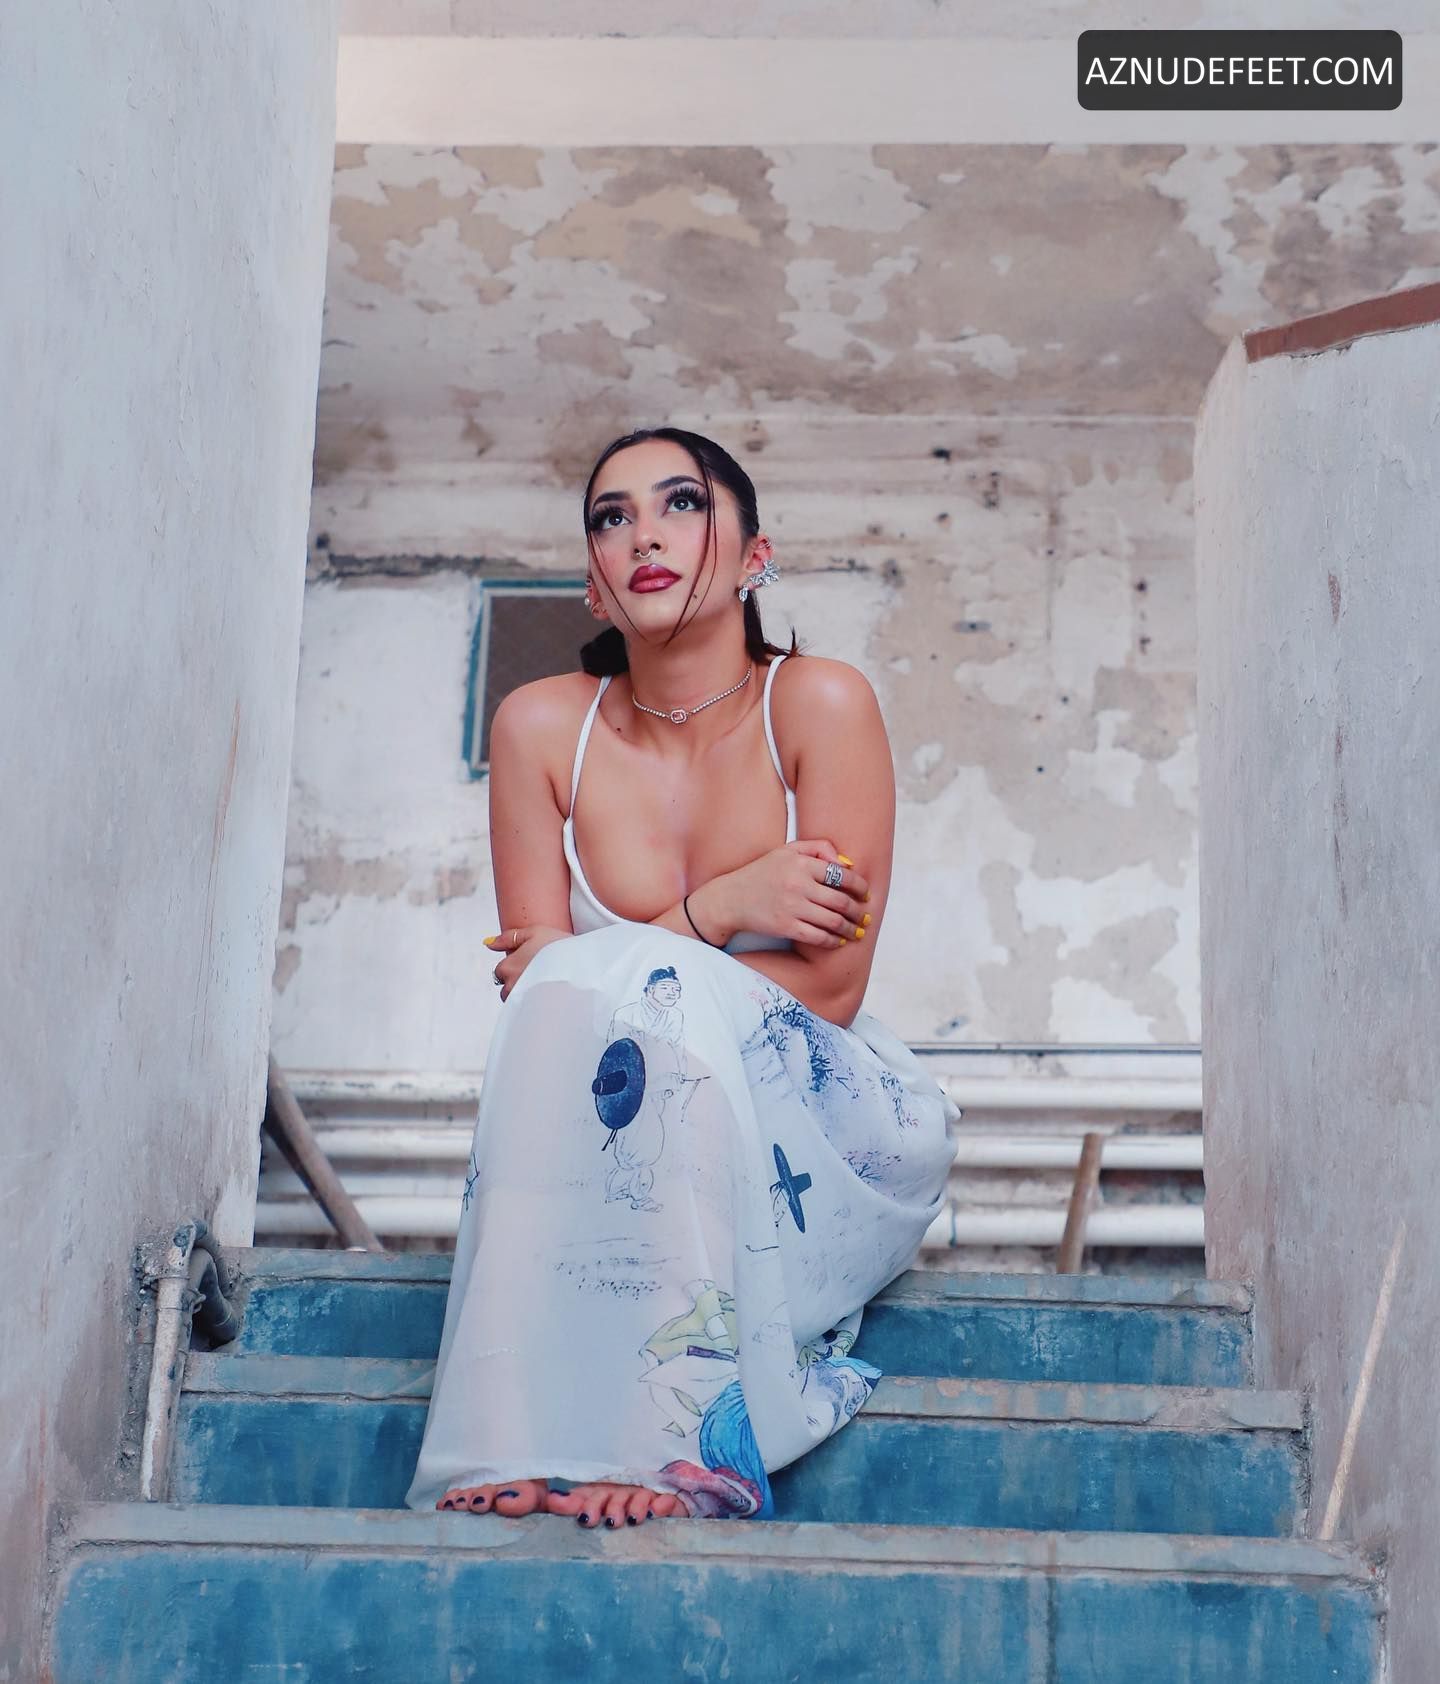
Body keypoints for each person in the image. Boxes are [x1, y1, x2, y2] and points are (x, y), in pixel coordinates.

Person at [404, 426, 959, 1528]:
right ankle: (518, 1439)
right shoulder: (539, 727)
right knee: (572, 1030)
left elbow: (829, 994)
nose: (644, 534)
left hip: (830, 1117)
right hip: (625, 1130)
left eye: (682, 504)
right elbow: (545, 1009)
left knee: (619, 1001)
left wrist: (617, 958)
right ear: (595, 582)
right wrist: (726, 904)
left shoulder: (820, 702)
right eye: (612, 518)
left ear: (756, 558)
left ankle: (674, 1448)